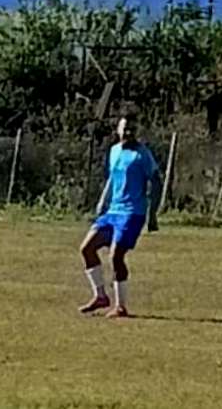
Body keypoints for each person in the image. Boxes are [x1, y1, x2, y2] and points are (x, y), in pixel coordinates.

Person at [78, 114, 162, 318]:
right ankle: (100, 296)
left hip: (132, 212)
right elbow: (112, 178)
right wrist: (103, 201)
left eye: (132, 129)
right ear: (118, 130)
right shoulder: (114, 151)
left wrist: (152, 213)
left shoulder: (142, 155)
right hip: (113, 211)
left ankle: (121, 306)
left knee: (116, 255)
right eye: (125, 129)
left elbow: (156, 181)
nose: (128, 132)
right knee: (87, 248)